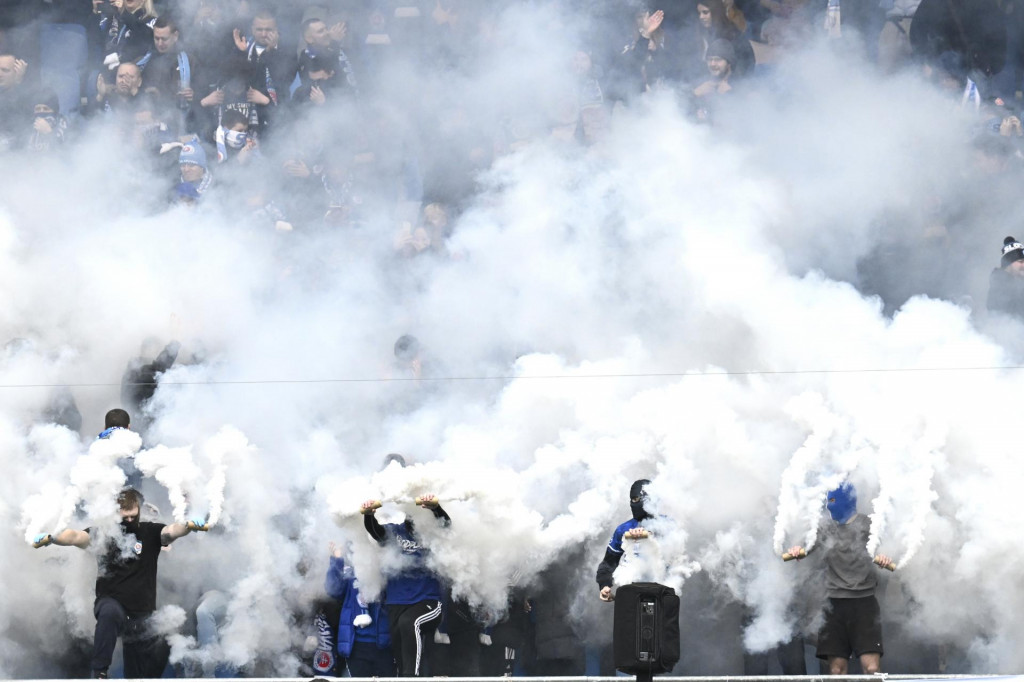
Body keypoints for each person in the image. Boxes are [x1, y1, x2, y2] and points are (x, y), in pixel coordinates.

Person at [32, 487, 209, 679]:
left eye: (134, 516)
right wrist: (53, 537)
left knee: (137, 672)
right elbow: (75, 536)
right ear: (115, 513)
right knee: (110, 613)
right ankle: (100, 673)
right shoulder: (102, 534)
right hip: (111, 601)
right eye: (126, 517)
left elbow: (172, 531)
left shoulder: (150, 531)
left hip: (141, 612)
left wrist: (188, 526)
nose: (130, 520)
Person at [784, 483, 893, 675]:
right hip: (834, 605)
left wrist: (884, 557)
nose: (829, 506)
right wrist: (796, 550)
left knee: (872, 668)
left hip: (864, 603)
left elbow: (886, 550)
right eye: (828, 500)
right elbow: (805, 547)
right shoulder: (826, 529)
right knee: (836, 670)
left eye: (832, 500)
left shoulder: (869, 525)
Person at [360, 493, 450, 676]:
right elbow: (375, 531)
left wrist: (435, 508)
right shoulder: (394, 531)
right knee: (400, 648)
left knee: (410, 623)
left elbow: (446, 526)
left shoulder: (431, 535)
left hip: (428, 601)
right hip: (396, 602)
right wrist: (369, 514)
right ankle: (404, 676)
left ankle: (412, 678)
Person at [324, 541, 395, 676]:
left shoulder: (386, 571)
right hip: (356, 644)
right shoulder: (350, 573)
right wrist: (337, 559)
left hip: (383, 644)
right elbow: (333, 589)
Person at [595, 478, 653, 602]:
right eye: (633, 499)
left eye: (638, 499)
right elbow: (608, 564)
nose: (634, 503)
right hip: (632, 594)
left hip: (660, 593)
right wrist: (604, 585)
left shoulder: (667, 525)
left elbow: (676, 559)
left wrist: (651, 536)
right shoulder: (624, 529)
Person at [987, 236, 1024, 317]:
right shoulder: (1000, 286)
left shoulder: (1018, 283)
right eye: (1020, 261)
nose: (1023, 265)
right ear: (1008, 264)